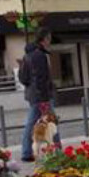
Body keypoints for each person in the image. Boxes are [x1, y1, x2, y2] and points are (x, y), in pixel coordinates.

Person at [19, 30, 57, 162]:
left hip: (33, 94)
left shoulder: (29, 55)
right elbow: (40, 78)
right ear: (44, 39)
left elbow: (23, 78)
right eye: (49, 38)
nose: (50, 41)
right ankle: (28, 152)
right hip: (41, 96)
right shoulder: (39, 56)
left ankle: (55, 149)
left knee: (34, 123)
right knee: (50, 121)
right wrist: (44, 98)